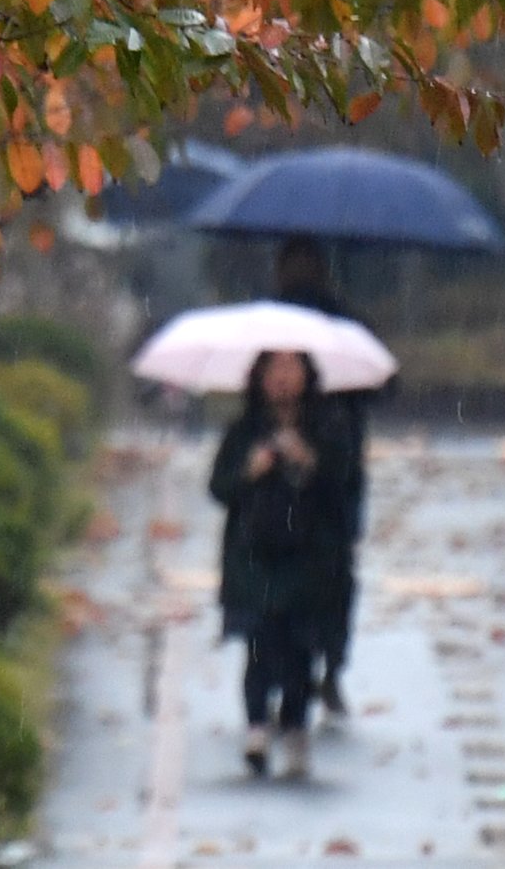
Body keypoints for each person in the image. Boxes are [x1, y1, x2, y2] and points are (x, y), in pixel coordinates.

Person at [209, 349, 352, 780]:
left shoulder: (329, 428)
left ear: (308, 375)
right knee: (257, 641)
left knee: (299, 648)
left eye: (292, 369)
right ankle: (256, 726)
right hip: (254, 557)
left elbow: (343, 486)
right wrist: (251, 470)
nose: (283, 379)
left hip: (309, 559)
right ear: (259, 377)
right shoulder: (244, 431)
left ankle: (294, 726)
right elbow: (219, 487)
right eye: (274, 369)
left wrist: (309, 462)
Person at [273, 235, 367, 716]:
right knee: (332, 577)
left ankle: (300, 666)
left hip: (320, 478)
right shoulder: (345, 324)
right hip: (335, 480)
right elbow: (379, 387)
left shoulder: (269, 324)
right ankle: (323, 664)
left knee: (294, 574)